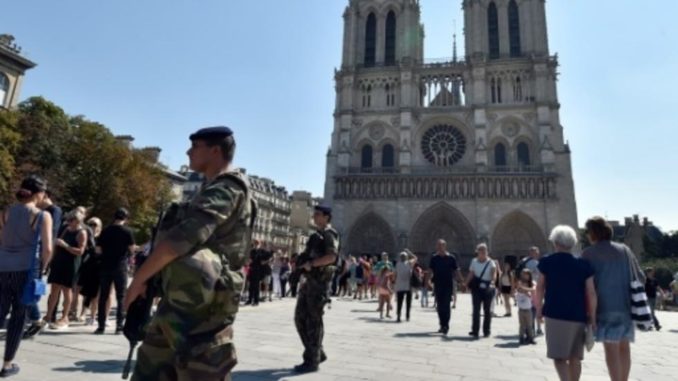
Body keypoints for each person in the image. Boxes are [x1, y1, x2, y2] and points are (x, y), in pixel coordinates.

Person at [123, 126, 255, 381]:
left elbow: (181, 240)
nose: (188, 152)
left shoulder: (227, 189)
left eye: (195, 147)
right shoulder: (210, 188)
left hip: (203, 311)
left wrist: (139, 279)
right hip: (182, 302)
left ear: (215, 150)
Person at [0, 176, 53, 378]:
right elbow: (47, 248)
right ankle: (7, 364)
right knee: (18, 317)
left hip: (3, 267)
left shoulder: (5, 212)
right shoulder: (41, 215)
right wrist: (44, 268)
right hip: (26, 270)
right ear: (39, 193)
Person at [582, 216, 641, 381]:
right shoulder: (624, 250)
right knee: (624, 348)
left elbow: (585, 286)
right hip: (626, 307)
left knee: (611, 350)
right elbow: (640, 277)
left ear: (593, 233)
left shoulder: (588, 253)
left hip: (604, 308)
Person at [536, 225, 596, 381]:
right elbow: (591, 292)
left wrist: (538, 311)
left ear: (555, 243)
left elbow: (540, 288)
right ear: (573, 243)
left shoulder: (547, 262)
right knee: (575, 357)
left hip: (555, 314)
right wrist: (593, 317)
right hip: (578, 316)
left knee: (559, 356)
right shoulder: (584, 265)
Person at [293, 205, 339, 374]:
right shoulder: (316, 236)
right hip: (309, 282)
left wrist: (311, 264)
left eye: (318, 214)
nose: (314, 216)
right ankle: (317, 351)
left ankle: (312, 360)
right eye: (314, 213)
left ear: (326, 217)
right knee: (299, 319)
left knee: (313, 321)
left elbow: (331, 257)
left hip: (319, 284)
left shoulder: (329, 234)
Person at [23, 190, 61, 339]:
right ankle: (32, 316)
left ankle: (35, 317)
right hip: (35, 253)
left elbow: (50, 235)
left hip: (39, 254)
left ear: (45, 196)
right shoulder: (44, 211)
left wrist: (46, 260)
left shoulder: (53, 211)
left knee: (32, 287)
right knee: (30, 287)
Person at [94, 208, 136, 335]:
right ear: (126, 218)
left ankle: (101, 326)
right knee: (121, 296)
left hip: (106, 265)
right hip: (120, 266)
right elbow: (132, 249)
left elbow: (98, 250)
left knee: (103, 296)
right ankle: (119, 326)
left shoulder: (106, 230)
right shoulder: (128, 232)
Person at [44, 210, 87, 330]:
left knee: (67, 290)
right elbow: (57, 245)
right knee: (54, 289)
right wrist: (50, 260)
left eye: (70, 220)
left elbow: (81, 251)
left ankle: (65, 317)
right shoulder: (66, 229)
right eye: (67, 220)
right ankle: (48, 315)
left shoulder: (81, 232)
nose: (67, 222)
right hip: (59, 262)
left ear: (77, 220)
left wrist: (65, 246)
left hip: (71, 264)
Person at [429, 239, 463, 335]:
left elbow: (456, 270)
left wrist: (462, 281)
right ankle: (442, 324)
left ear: (445, 246)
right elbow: (430, 270)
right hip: (438, 284)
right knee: (439, 306)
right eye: (438, 245)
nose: (439, 247)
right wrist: (427, 281)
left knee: (447, 305)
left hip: (448, 285)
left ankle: (446, 325)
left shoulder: (451, 258)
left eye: (441, 245)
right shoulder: (434, 258)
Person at [466, 243, 497, 339]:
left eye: (485, 251)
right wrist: (466, 283)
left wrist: (492, 282)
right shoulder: (474, 261)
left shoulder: (491, 262)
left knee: (487, 310)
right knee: (476, 310)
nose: (483, 252)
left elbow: (494, 273)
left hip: (488, 288)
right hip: (476, 288)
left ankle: (486, 331)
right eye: (481, 251)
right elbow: (471, 273)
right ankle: (475, 330)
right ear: (477, 252)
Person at [77, 217, 104, 325]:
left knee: (96, 294)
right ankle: (83, 313)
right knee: (85, 292)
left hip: (99, 267)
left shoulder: (102, 238)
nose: (92, 226)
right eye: (90, 224)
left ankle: (92, 315)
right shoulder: (86, 236)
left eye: (95, 224)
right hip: (87, 266)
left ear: (99, 227)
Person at [516, 269, 536, 345]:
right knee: (522, 325)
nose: (525, 276)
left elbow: (533, 289)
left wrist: (524, 289)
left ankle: (531, 338)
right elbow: (519, 289)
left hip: (528, 308)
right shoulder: (520, 282)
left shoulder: (532, 282)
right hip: (521, 309)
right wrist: (527, 292)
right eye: (524, 274)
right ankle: (521, 338)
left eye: (527, 274)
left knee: (530, 325)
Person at [394, 251, 416, 322]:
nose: (403, 257)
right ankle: (406, 316)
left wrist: (394, 284)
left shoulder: (397, 264)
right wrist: (409, 252)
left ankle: (399, 316)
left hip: (401, 285)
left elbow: (395, 275)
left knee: (400, 302)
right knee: (407, 302)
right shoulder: (409, 263)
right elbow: (415, 258)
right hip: (407, 286)